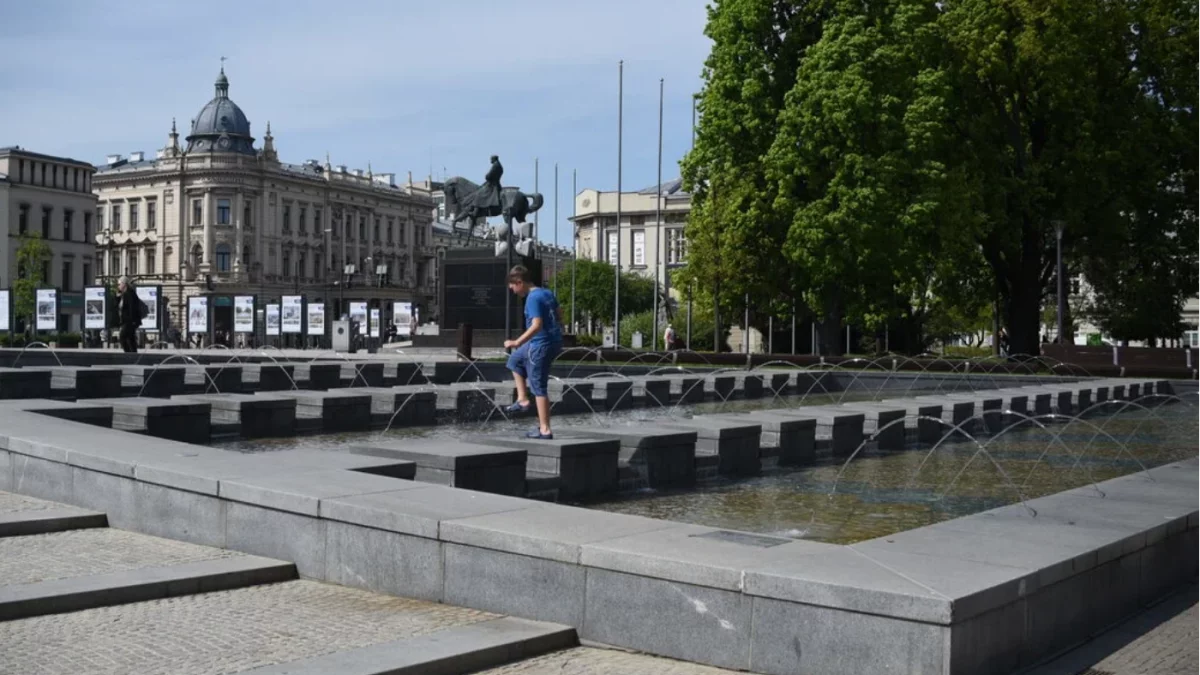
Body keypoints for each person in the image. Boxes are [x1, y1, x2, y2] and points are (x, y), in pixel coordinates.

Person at [503, 264, 563, 439]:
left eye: (512, 286)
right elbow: (560, 314)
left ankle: (545, 430)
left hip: (540, 345)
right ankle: (522, 399)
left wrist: (517, 341)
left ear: (519, 282)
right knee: (515, 360)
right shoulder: (547, 293)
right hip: (552, 341)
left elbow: (537, 325)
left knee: (538, 386)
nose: (512, 290)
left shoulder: (532, 298)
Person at [115, 276, 145, 353]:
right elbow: (119, 306)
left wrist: (132, 321)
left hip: (129, 321)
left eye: (119, 284)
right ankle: (133, 355)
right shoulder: (124, 294)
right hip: (127, 321)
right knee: (130, 339)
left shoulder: (130, 294)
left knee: (122, 337)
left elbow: (132, 308)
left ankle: (128, 354)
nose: (118, 286)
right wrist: (118, 297)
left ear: (124, 284)